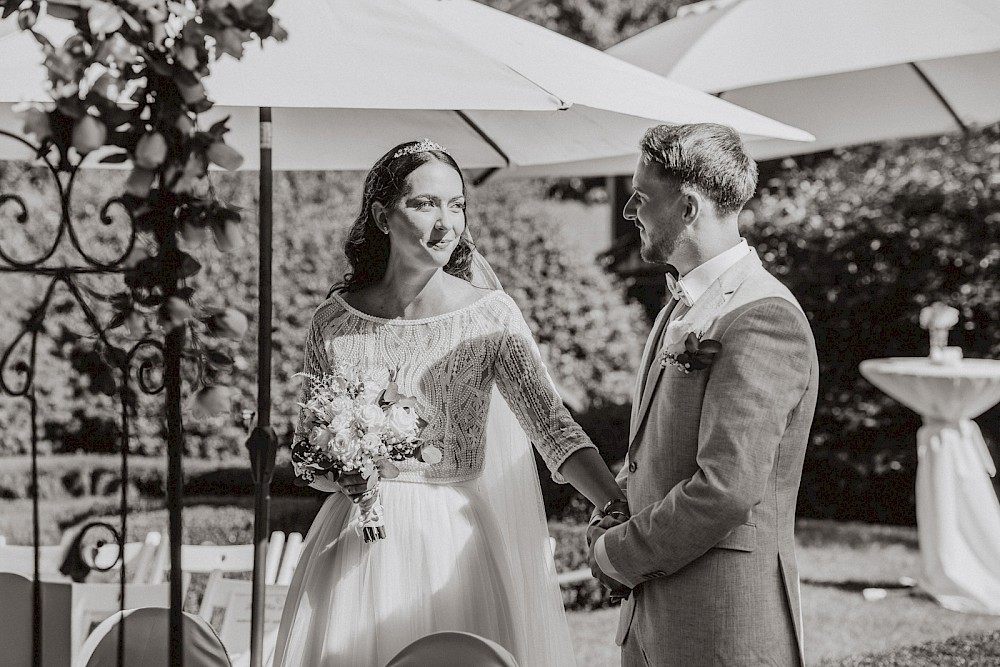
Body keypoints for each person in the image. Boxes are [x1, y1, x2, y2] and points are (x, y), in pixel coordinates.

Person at [270, 139, 627, 667]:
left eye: (456, 204)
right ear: (382, 216)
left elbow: (553, 429)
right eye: (424, 203)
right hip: (349, 550)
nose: (446, 222)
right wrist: (339, 472)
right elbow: (305, 453)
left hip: (450, 548)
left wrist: (617, 507)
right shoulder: (335, 321)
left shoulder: (490, 316)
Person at [587, 123, 819, 667]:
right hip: (655, 622)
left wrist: (616, 553)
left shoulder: (761, 314)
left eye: (640, 199)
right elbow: (661, 453)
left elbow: (726, 488)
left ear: (688, 206)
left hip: (720, 627)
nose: (630, 213)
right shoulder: (682, 303)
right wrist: (617, 504)